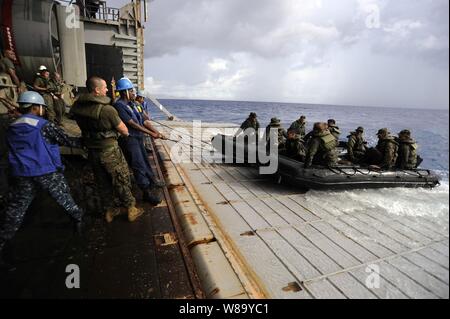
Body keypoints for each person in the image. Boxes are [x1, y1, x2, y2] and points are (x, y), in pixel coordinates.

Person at [0, 92, 84, 269]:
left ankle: (3, 242)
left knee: (15, 211)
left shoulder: (10, 125)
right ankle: (78, 223)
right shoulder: (43, 125)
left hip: (21, 173)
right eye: (42, 108)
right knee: (65, 200)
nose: (43, 111)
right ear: (35, 107)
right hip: (46, 170)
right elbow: (67, 140)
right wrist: (89, 140)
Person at [70, 76, 142, 223]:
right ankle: (131, 208)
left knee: (102, 181)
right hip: (109, 150)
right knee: (120, 179)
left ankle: (109, 211)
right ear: (97, 90)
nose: (108, 89)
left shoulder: (78, 109)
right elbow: (124, 130)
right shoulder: (107, 110)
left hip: (92, 151)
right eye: (105, 87)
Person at [113, 78, 164, 207]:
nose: (133, 93)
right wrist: (151, 134)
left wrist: (156, 132)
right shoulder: (119, 106)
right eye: (131, 91)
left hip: (138, 138)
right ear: (124, 92)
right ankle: (146, 192)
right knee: (138, 165)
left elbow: (144, 121)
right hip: (130, 140)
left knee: (145, 161)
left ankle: (152, 181)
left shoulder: (133, 104)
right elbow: (133, 124)